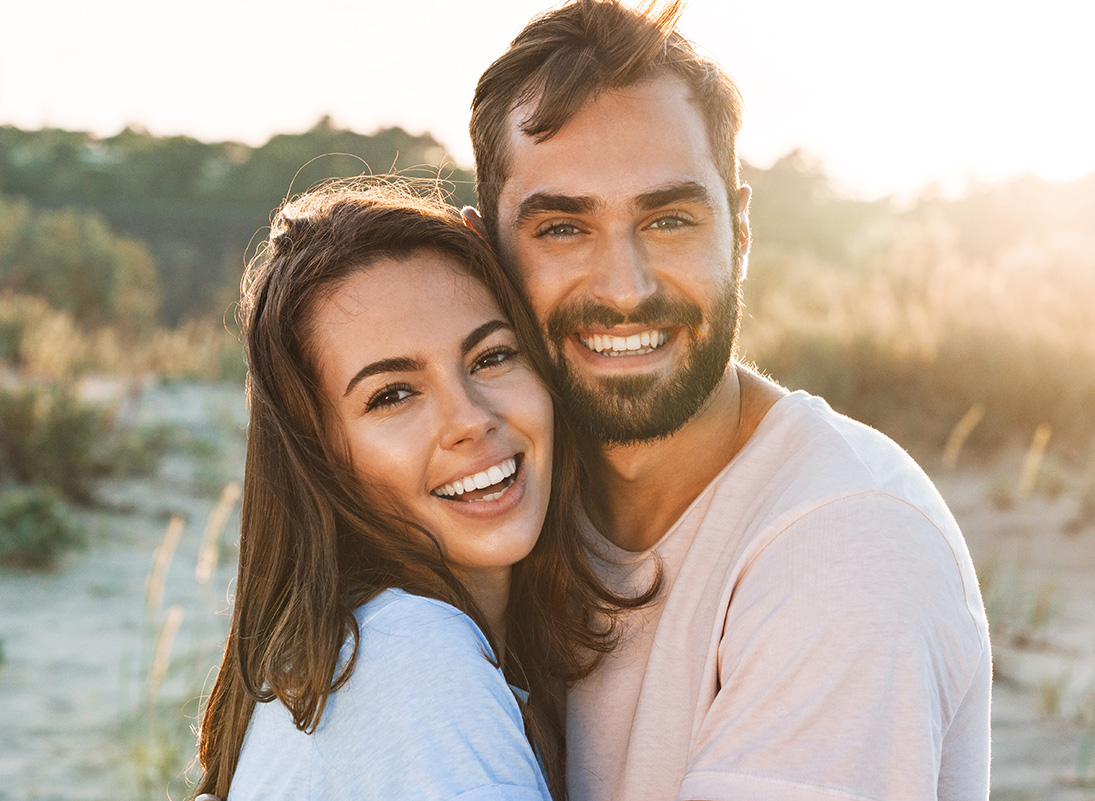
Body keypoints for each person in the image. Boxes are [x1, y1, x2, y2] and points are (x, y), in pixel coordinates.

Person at [463, 1, 992, 799]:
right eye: (564, 229)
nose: (624, 288)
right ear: (485, 256)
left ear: (739, 233)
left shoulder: (848, 546)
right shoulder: (497, 500)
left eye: (668, 218)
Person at [189, 180, 651, 801]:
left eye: (491, 357)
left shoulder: (358, 651)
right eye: (393, 395)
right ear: (320, 457)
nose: (470, 419)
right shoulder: (408, 656)